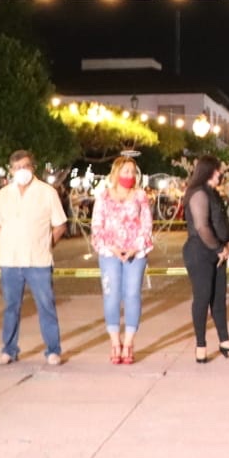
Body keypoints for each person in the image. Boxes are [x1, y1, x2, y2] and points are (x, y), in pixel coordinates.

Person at [0, 149, 67, 366]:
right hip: (10, 261)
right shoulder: (4, 194)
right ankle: (9, 350)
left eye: (25, 166)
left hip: (38, 261)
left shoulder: (47, 192)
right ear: (11, 170)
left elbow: (60, 225)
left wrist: (46, 243)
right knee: (10, 307)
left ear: (33, 167)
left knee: (46, 306)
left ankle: (53, 350)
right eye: (16, 168)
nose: (21, 171)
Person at [181, 154, 229, 364]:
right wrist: (218, 248)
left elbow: (220, 222)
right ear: (209, 171)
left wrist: (227, 243)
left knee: (219, 298)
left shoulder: (213, 193)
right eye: (218, 170)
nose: (220, 173)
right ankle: (200, 344)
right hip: (200, 252)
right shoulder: (198, 194)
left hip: (218, 251)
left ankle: (224, 340)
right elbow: (202, 227)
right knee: (202, 298)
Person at [91, 156, 154, 365]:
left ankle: (128, 343)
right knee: (111, 296)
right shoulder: (104, 197)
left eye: (132, 172)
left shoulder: (140, 196)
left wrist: (136, 247)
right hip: (110, 253)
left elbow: (147, 225)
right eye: (125, 171)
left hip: (136, 253)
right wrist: (113, 247)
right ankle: (114, 342)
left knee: (132, 294)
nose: (128, 175)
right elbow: (97, 226)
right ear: (116, 172)